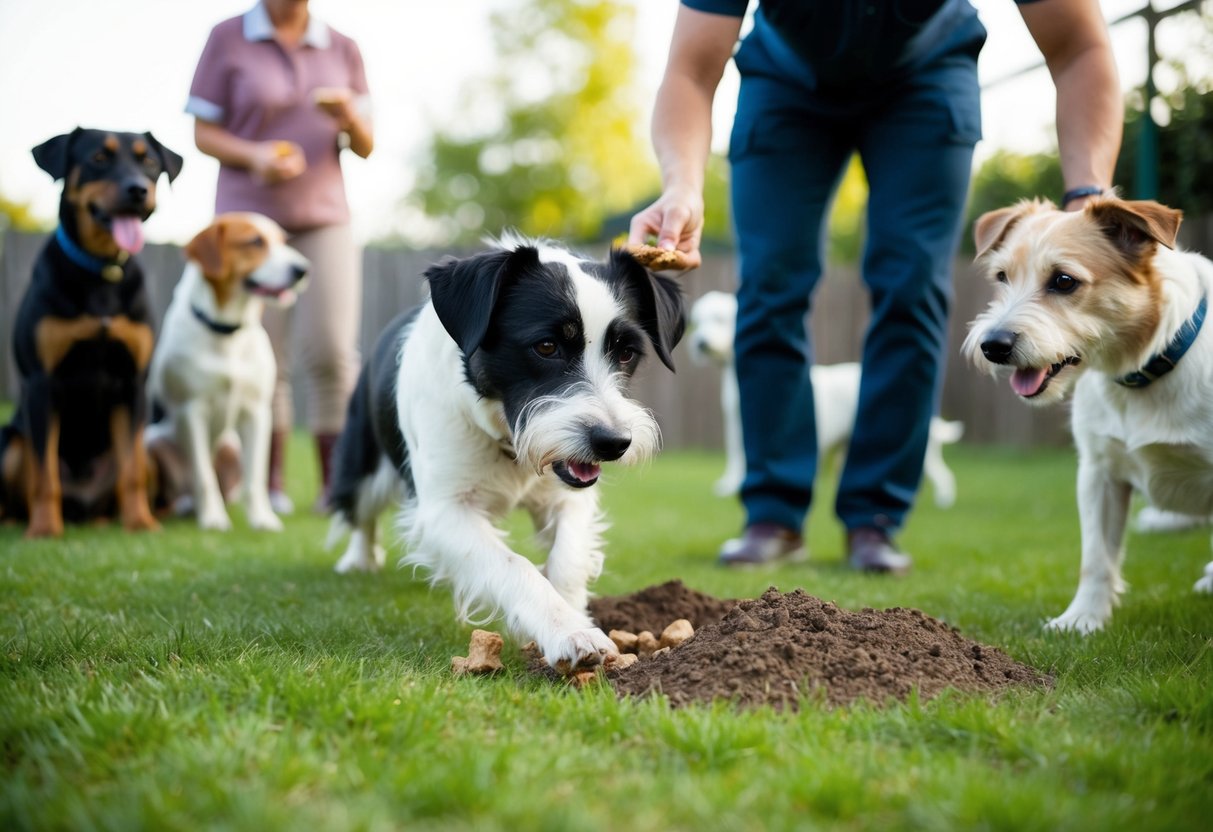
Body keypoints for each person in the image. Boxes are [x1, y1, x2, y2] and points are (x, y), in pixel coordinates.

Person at [629, 0, 1121, 571]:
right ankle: (773, 515)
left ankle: (875, 519)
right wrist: (682, 185)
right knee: (769, 283)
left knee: (912, 285)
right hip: (785, 82)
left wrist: (1089, 190)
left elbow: (1078, 45)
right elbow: (691, 68)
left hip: (926, 77)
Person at [186, 0, 374, 514]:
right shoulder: (227, 37)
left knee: (333, 351)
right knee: (262, 354)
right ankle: (265, 486)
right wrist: (256, 155)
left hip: (323, 217)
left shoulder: (342, 47)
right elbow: (203, 131)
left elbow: (366, 145)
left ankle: (338, 488)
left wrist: (347, 116)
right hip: (248, 219)